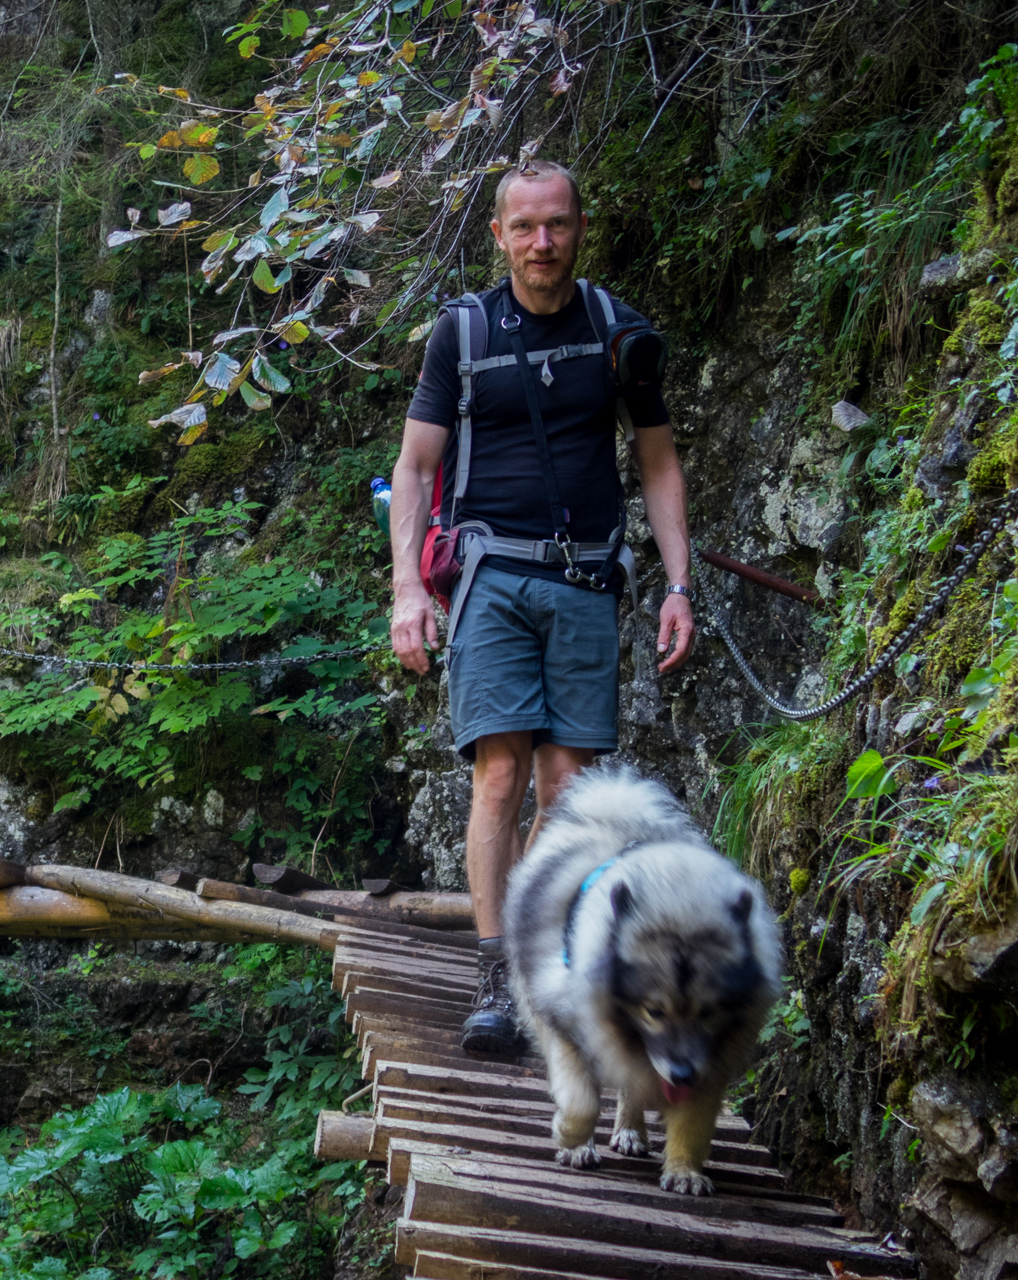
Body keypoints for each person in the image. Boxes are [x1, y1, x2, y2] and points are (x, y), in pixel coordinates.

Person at [386, 159, 696, 1056]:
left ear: (580, 227)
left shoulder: (617, 332)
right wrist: (409, 589)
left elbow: (659, 462)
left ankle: (538, 958)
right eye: (524, 228)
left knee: (567, 795)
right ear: (499, 234)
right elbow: (414, 466)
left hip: (588, 577)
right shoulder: (465, 332)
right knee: (499, 777)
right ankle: (495, 975)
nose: (542, 244)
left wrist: (678, 585)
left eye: (556, 224)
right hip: (491, 575)